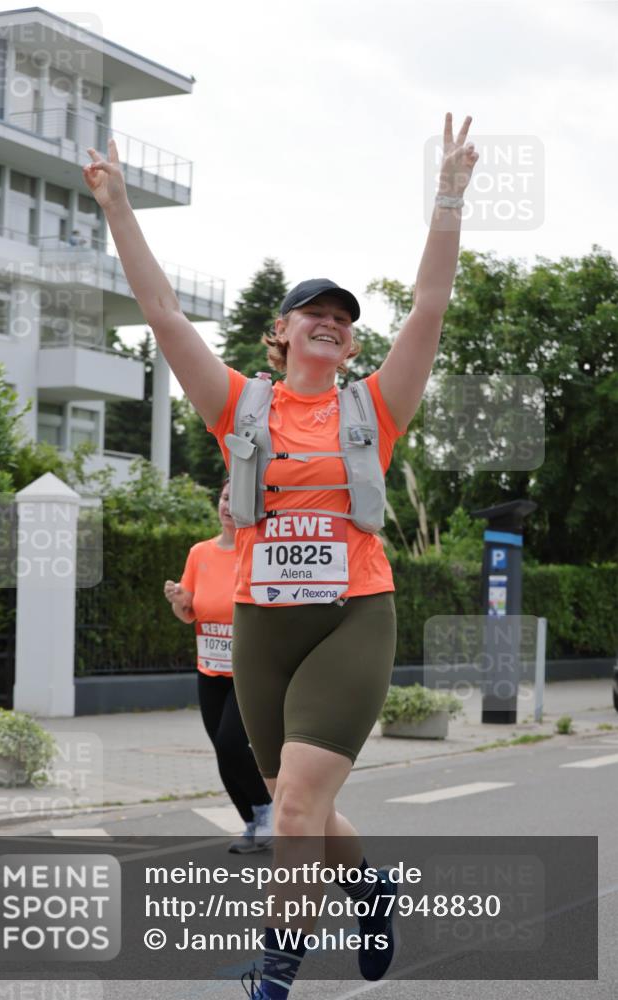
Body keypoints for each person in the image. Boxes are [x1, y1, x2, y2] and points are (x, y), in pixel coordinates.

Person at [82, 111, 479, 997]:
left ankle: (277, 966)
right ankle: (370, 889)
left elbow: (429, 306)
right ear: (283, 329)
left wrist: (447, 197)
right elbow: (159, 311)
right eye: (316, 312)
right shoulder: (239, 407)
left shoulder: (373, 407)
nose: (332, 322)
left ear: (350, 341)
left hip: (351, 618)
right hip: (264, 627)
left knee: (293, 808)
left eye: (343, 317)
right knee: (306, 808)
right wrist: (117, 207)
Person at [163, 477, 273, 854]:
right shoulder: (200, 553)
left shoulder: (259, 550)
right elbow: (189, 613)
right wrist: (178, 599)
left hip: (248, 670)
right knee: (222, 749)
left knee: (231, 741)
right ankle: (252, 822)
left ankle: (268, 808)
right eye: (225, 497)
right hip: (209, 668)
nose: (228, 505)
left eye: (236, 498)